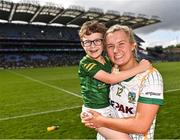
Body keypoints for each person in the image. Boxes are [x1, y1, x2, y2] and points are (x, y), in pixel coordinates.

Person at [81, 24, 164, 139]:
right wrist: (88, 111)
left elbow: (141, 125)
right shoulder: (110, 71)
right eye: (110, 46)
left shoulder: (150, 77)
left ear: (132, 46)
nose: (115, 50)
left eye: (121, 44)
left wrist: (100, 121)